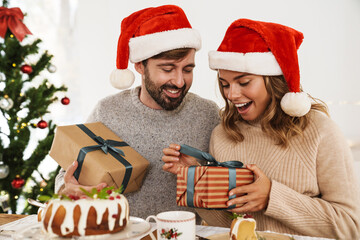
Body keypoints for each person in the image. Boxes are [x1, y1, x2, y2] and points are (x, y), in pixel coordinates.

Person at [162, 19, 360, 239]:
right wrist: (194, 180)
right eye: (225, 84)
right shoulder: (224, 134)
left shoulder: (321, 131)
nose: (231, 95)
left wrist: (271, 197)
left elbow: (350, 227)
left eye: (244, 82)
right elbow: (225, 225)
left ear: (274, 80)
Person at [54, 5, 220, 220]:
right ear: (140, 66)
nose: (180, 81)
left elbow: (225, 186)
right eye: (167, 69)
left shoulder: (208, 114)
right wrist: (67, 189)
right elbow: (65, 174)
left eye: (188, 70)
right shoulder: (108, 111)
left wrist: (196, 174)